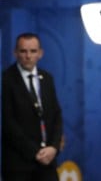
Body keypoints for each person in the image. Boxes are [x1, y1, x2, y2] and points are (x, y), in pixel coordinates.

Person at [1, 32, 63, 181]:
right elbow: (8, 122)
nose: (28, 56)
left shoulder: (47, 78)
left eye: (33, 51)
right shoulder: (6, 79)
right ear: (15, 53)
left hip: (48, 161)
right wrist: (35, 152)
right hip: (19, 164)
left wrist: (54, 148)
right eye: (23, 51)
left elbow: (56, 115)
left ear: (40, 53)